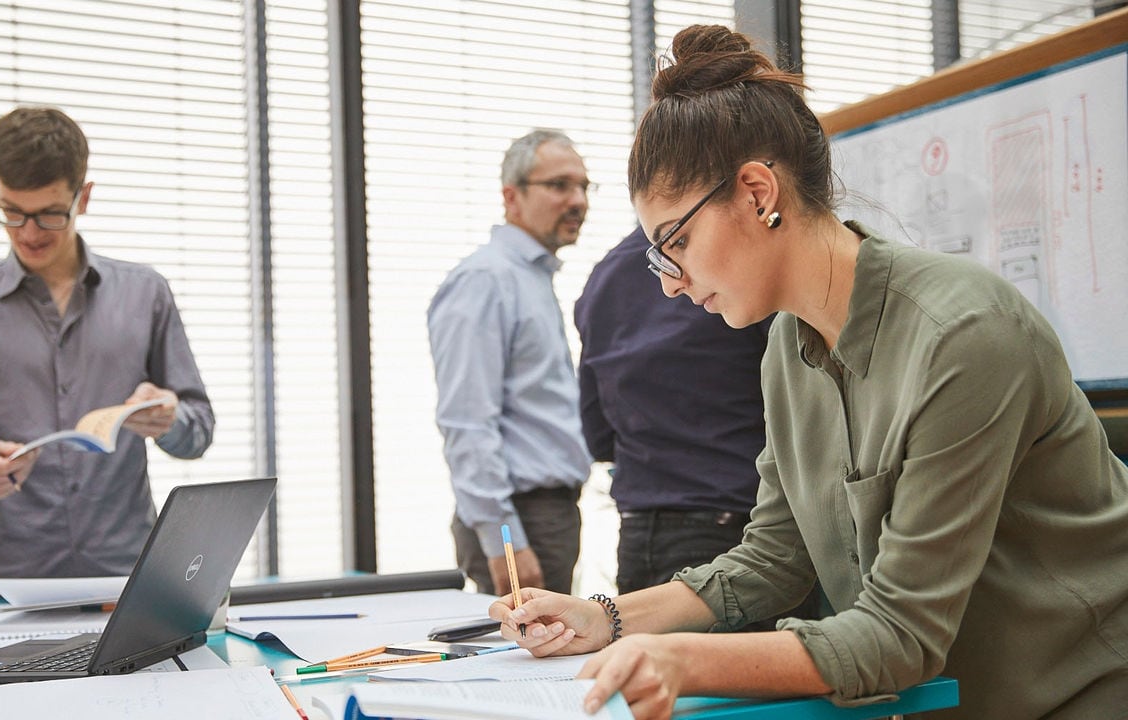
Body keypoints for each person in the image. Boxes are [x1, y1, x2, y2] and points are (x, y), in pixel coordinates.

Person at [489, 25, 1128, 720]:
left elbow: (899, 634)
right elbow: (772, 557)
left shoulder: (964, 335)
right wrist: (605, 617)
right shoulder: (787, 348)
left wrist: (682, 657)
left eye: (676, 242)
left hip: (1077, 696)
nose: (670, 284)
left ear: (758, 192)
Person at [0, 106, 215, 600]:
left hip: (129, 588)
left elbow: (199, 428)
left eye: (49, 214)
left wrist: (171, 420)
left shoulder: (147, 293)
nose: (28, 233)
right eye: (11, 211)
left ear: (83, 197)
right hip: (5, 593)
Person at [427, 129, 593, 596]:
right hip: (520, 521)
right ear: (511, 196)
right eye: (559, 185)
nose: (578, 200)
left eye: (583, 186)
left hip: (546, 517)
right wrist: (505, 542)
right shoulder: (486, 280)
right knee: (523, 667)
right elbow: (467, 423)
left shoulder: (530, 278)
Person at [575, 225, 774, 595]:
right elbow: (796, 402)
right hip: (742, 536)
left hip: (638, 535)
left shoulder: (606, 277)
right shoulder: (737, 263)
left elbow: (597, 433)